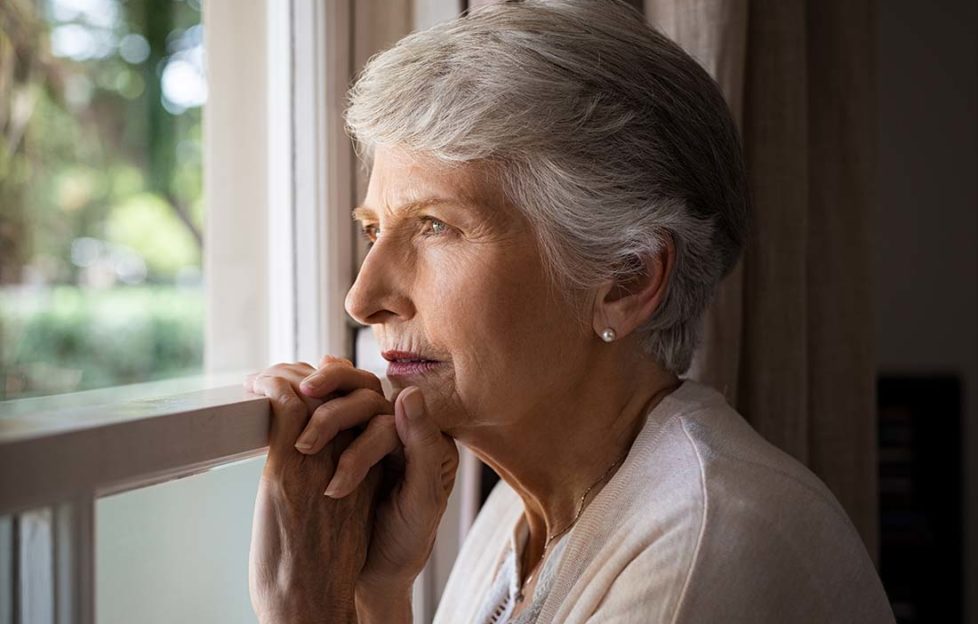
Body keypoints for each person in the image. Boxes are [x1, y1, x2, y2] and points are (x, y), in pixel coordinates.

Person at [244, 1, 896, 622]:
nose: (363, 298)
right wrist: (378, 592)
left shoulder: (705, 546)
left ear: (625, 279)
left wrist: (308, 613)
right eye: (372, 230)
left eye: (435, 226)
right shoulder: (518, 516)